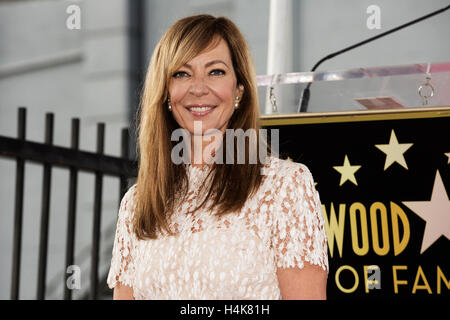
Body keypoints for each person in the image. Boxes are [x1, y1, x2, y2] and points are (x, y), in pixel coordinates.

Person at [107, 14, 328, 300]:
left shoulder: (284, 187)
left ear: (239, 90)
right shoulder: (136, 205)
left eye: (215, 72)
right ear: (165, 93)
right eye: (181, 74)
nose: (198, 88)